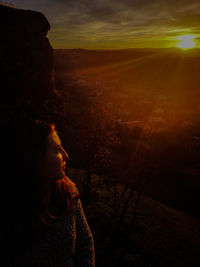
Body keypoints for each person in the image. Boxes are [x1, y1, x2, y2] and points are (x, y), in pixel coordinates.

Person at [0, 117, 95, 267]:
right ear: (35, 159)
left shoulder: (68, 192)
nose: (66, 155)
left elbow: (85, 243)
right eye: (58, 149)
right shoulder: (10, 213)